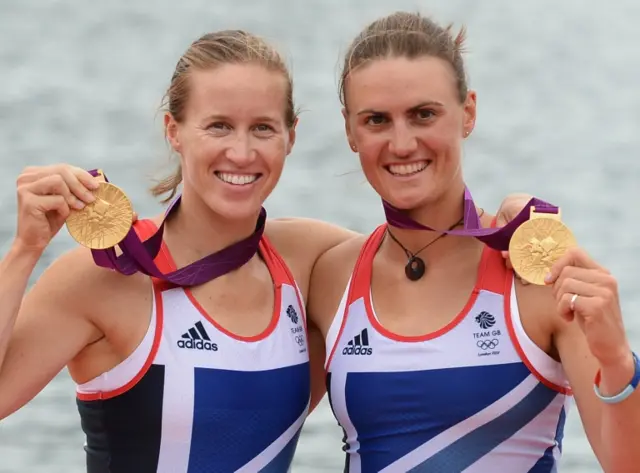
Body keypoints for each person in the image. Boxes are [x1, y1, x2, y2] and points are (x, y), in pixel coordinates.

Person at [0, 29, 544, 473]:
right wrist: (25, 249)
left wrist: (517, 216)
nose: (242, 151)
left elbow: (429, 253)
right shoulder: (105, 278)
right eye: (218, 126)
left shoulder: (306, 261)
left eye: (262, 127)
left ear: (291, 136)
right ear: (174, 130)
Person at [309, 11, 640, 473]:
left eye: (424, 114)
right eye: (376, 120)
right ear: (349, 130)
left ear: (468, 112)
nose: (402, 143)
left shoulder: (539, 274)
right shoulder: (328, 275)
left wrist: (617, 358)